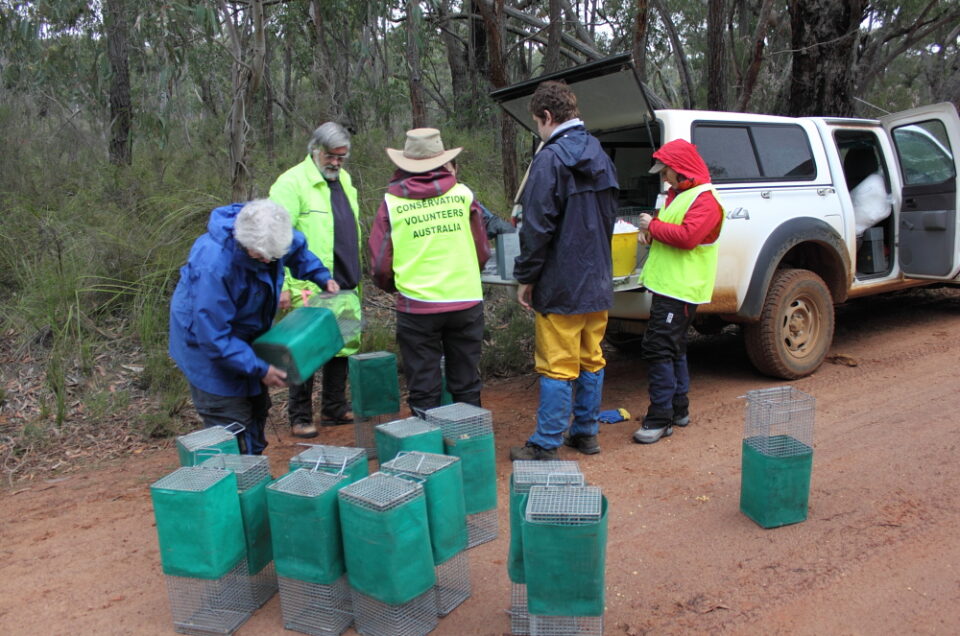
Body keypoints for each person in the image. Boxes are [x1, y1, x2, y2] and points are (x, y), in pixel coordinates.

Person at [169, 200, 339, 455]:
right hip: (205, 345)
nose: (268, 260)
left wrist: (321, 276)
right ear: (244, 243)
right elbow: (214, 336)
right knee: (231, 420)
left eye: (273, 257)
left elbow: (298, 252)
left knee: (257, 406)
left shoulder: (273, 231)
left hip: (247, 331)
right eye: (260, 256)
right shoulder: (214, 265)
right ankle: (237, 482)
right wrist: (259, 368)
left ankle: (253, 466)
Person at [508, 80, 620, 461]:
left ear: (547, 117)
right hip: (597, 280)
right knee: (592, 357)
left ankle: (545, 442)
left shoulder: (550, 159)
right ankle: (585, 433)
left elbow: (536, 229)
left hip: (561, 283)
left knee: (557, 364)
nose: (538, 131)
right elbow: (608, 220)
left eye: (537, 124)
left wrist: (527, 278)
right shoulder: (601, 154)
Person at [368, 127, 491, 416]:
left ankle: (429, 456)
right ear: (443, 161)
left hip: (417, 306)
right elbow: (481, 250)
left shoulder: (392, 203)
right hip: (465, 301)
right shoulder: (463, 195)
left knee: (424, 387)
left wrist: (395, 287)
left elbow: (379, 264)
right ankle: (469, 448)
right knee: (466, 383)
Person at [270, 122, 361, 438]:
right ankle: (299, 415)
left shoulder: (345, 180)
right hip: (309, 284)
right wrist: (281, 284)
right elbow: (275, 236)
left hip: (346, 281)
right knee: (306, 349)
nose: (337, 163)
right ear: (315, 150)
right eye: (332, 157)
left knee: (342, 346)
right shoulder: (291, 183)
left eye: (342, 157)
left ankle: (334, 408)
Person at [632, 139, 724, 444]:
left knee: (658, 347)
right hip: (669, 286)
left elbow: (687, 237)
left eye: (666, 171)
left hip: (682, 289)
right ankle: (678, 409)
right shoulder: (678, 195)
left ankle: (659, 418)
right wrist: (652, 234)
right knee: (674, 347)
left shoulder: (705, 200)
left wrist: (653, 226)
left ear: (680, 169)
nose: (664, 176)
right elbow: (673, 234)